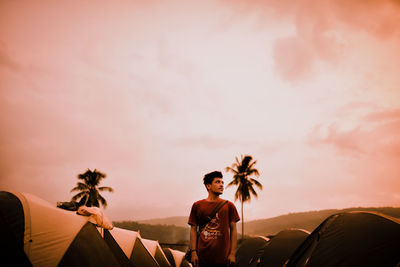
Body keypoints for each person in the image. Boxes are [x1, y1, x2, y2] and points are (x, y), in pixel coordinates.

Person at [188, 171, 240, 267]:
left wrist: (232, 253)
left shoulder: (229, 206)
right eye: (217, 182)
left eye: (222, 182)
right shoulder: (197, 205)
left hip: (223, 258)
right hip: (201, 257)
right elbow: (193, 229)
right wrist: (193, 253)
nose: (221, 185)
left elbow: (233, 230)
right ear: (208, 186)